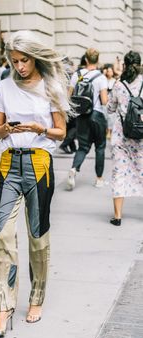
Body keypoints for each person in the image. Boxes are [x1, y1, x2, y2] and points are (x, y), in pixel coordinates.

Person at [0, 30, 69, 338]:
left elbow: (61, 132)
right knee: (2, 236)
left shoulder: (51, 87)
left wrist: (42, 128)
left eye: (24, 60)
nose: (19, 66)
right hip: (9, 163)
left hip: (39, 164)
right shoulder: (3, 87)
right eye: (14, 60)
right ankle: (3, 308)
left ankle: (36, 299)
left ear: (34, 57)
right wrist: (5, 128)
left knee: (38, 236)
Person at [107, 50, 143, 226]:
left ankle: (118, 216)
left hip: (122, 137)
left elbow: (110, 109)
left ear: (125, 65)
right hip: (141, 138)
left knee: (119, 173)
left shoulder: (118, 85)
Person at [66, 48, 108, 190]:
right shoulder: (101, 77)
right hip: (97, 115)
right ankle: (99, 179)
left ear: (86, 59)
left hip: (82, 116)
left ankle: (74, 168)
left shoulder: (77, 75)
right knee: (100, 147)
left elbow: (69, 95)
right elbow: (104, 101)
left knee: (83, 147)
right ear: (97, 60)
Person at [103, 64, 116, 139]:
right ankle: (105, 130)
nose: (110, 73)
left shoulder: (114, 81)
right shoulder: (104, 80)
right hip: (105, 99)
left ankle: (109, 131)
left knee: (111, 117)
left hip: (112, 100)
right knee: (105, 116)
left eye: (111, 71)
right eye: (108, 71)